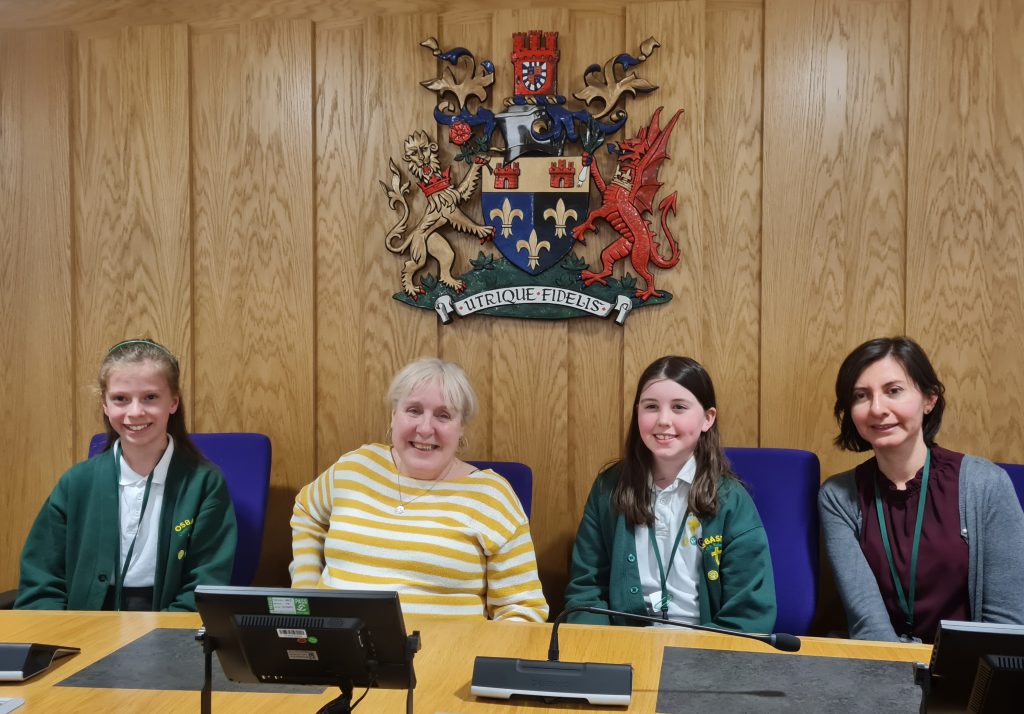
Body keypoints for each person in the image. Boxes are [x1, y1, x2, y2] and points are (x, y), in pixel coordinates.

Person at [290, 357, 548, 622]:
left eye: (443, 415)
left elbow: (523, 609)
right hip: (336, 654)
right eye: (413, 410)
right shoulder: (356, 466)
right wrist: (305, 593)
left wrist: (480, 659)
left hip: (445, 660)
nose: (425, 428)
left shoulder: (491, 496)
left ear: (461, 428)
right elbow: (306, 511)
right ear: (393, 416)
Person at [819, 336, 1024, 643]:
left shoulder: (986, 485)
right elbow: (867, 624)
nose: (877, 408)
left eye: (894, 391)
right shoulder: (838, 496)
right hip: (880, 670)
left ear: (930, 399)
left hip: (969, 674)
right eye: (861, 396)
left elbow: (1006, 626)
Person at [16, 339, 237, 611]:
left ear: (173, 402)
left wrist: (159, 644)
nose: (135, 412)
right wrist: (63, 637)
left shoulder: (204, 483)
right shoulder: (76, 483)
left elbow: (205, 585)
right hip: (83, 628)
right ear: (105, 405)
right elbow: (41, 585)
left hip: (170, 630)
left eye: (150, 397)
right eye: (121, 399)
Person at [564, 356, 776, 632]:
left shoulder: (732, 501)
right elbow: (586, 590)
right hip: (624, 643)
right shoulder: (609, 489)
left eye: (679, 407)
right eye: (651, 407)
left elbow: (749, 614)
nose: (663, 420)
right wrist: (601, 648)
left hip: (706, 651)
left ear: (707, 418)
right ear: (637, 412)